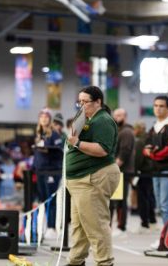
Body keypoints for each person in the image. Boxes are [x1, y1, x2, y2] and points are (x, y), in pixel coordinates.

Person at [65, 86, 119, 266]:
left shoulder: (102, 120)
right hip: (81, 180)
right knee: (79, 227)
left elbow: (103, 149)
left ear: (98, 102)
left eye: (85, 102)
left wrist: (77, 142)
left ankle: (105, 262)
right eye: (79, 102)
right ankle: (75, 261)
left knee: (96, 226)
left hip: (93, 177)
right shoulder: (88, 118)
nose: (81, 105)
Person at [143, 95, 168, 232]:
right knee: (159, 204)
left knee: (165, 205)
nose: (158, 108)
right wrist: (149, 152)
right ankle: (166, 235)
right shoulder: (154, 127)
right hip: (155, 170)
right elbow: (145, 147)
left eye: (161, 106)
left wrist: (154, 154)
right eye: (156, 105)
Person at [33, 108, 63, 240]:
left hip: (52, 171)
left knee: (52, 199)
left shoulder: (54, 134)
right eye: (41, 117)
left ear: (50, 119)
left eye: (46, 117)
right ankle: (45, 224)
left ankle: (52, 227)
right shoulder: (39, 134)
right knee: (43, 199)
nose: (44, 119)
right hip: (41, 170)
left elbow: (59, 151)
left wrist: (46, 149)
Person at [110, 108, 135, 237]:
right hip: (117, 170)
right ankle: (115, 226)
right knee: (114, 199)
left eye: (119, 115)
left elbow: (124, 152)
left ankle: (121, 226)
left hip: (122, 171)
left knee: (120, 200)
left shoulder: (126, 131)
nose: (116, 117)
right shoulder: (118, 130)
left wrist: (114, 166)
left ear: (125, 116)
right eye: (115, 115)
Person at [133, 121, 157, 234]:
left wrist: (134, 171)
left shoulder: (139, 141)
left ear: (138, 129)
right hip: (151, 171)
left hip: (142, 172)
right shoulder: (149, 138)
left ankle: (144, 223)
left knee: (143, 198)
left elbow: (138, 158)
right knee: (150, 197)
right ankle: (152, 220)